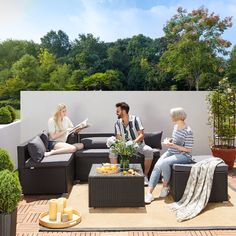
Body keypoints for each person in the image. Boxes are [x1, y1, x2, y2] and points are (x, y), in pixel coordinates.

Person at [145, 107, 194, 204]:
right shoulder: (176, 127)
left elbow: (188, 149)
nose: (171, 117)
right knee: (157, 166)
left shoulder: (188, 131)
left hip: (184, 155)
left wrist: (173, 145)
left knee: (164, 163)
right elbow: (175, 141)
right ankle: (149, 193)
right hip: (172, 151)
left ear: (177, 117)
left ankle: (165, 186)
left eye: (172, 116)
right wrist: (169, 141)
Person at [109, 102, 153, 185]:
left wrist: (132, 143)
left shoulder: (136, 119)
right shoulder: (117, 123)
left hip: (138, 145)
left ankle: (145, 176)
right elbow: (119, 137)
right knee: (112, 150)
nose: (116, 113)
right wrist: (122, 146)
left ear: (124, 111)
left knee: (149, 150)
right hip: (124, 146)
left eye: (118, 111)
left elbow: (141, 135)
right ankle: (115, 175)